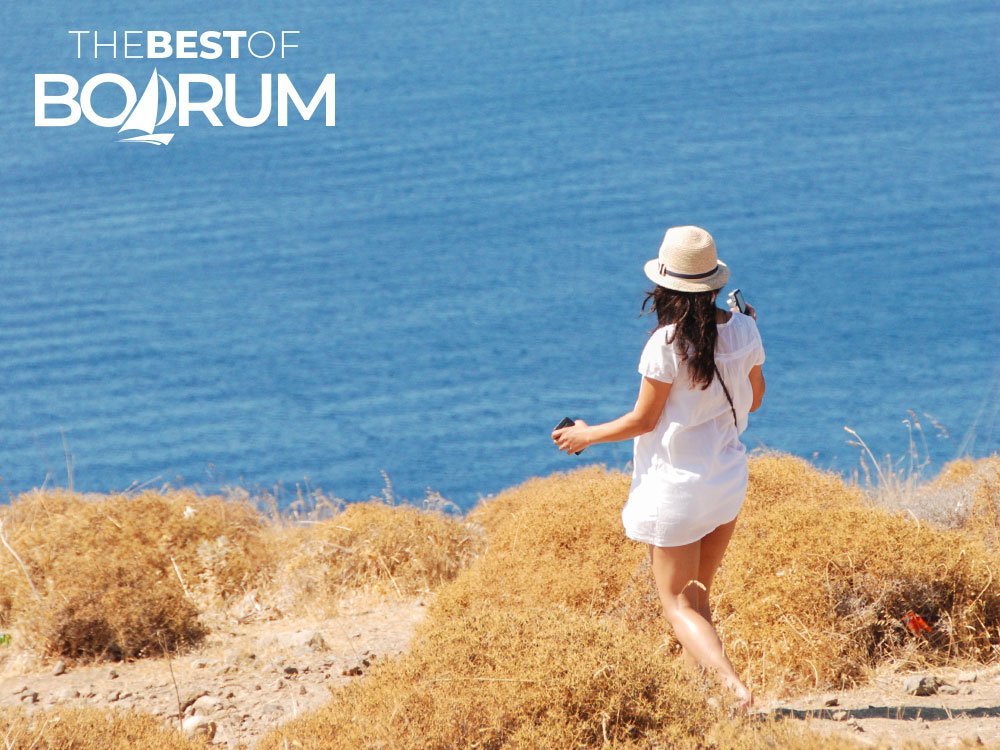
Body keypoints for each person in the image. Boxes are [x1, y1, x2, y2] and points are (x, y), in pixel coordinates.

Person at [551, 225, 765, 713]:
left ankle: (734, 688)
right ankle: (695, 703)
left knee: (677, 604)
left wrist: (585, 434)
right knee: (699, 597)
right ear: (712, 282)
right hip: (726, 482)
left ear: (666, 288)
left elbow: (642, 420)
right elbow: (757, 397)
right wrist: (745, 340)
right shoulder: (746, 329)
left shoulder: (666, 344)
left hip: (677, 490)